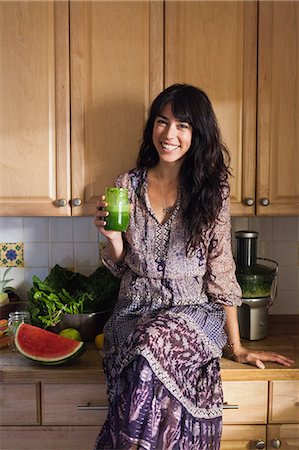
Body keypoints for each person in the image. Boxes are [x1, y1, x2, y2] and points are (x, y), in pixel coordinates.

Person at [93, 84, 293, 450]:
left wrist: (236, 345)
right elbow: (122, 267)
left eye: (183, 125)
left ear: (197, 133)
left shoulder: (210, 191)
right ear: (152, 126)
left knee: (151, 345)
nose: (170, 134)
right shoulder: (127, 185)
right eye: (162, 122)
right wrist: (113, 238)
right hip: (134, 312)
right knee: (143, 351)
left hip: (193, 314)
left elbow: (220, 269)